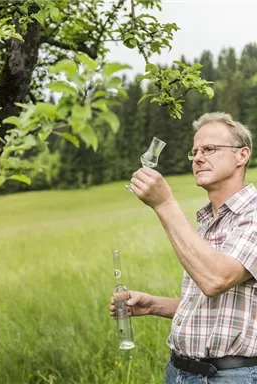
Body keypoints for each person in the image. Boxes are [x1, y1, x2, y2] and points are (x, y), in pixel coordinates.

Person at [110, 112, 257, 383]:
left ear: (242, 155)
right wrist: (154, 305)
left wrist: (164, 204)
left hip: (230, 376)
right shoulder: (208, 222)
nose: (198, 157)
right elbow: (213, 309)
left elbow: (216, 279)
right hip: (178, 373)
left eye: (210, 149)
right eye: (195, 151)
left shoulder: (255, 214)